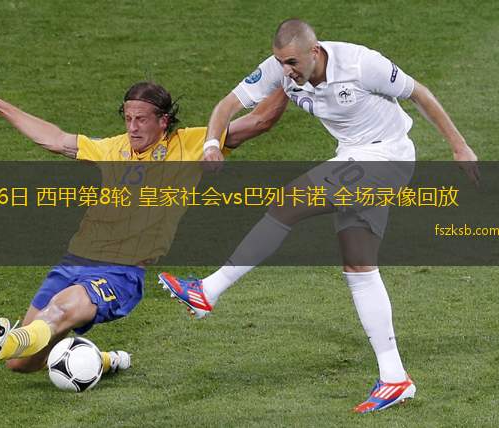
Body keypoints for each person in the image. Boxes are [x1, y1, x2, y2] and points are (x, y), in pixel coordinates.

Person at [158, 19, 480, 413]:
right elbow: (229, 106)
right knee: (359, 267)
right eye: (281, 62)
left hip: (387, 157)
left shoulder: (361, 64)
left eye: (292, 62)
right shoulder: (281, 69)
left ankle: (208, 290)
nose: (286, 70)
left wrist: (459, 147)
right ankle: (395, 378)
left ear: (315, 51)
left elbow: (419, 93)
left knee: (289, 201)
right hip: (354, 156)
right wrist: (211, 144)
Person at [0, 81, 287, 375]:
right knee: (23, 364)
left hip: (120, 273)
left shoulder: (191, 144)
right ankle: (103, 360)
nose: (133, 128)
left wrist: (287, 80)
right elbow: (55, 139)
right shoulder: (113, 147)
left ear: (163, 121)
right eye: (128, 119)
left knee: (60, 309)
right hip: (74, 261)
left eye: (141, 119)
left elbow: (259, 121)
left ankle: (4, 341)